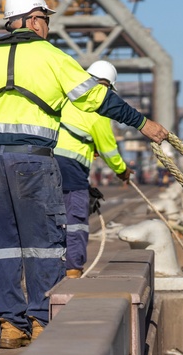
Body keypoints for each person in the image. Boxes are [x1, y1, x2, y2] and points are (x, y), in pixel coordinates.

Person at [0, 0, 168, 349]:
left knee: (0, 246)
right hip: (34, 162)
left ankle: (9, 326)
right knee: (44, 245)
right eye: (45, 19)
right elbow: (98, 98)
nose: (47, 26)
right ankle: (39, 320)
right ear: (33, 20)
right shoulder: (51, 56)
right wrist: (143, 124)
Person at [54, 59, 129, 279]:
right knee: (75, 220)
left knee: (49, 218)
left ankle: (48, 269)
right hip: (71, 169)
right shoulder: (98, 107)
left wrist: (89, 143)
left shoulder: (65, 97)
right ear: (107, 86)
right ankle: (73, 270)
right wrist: (122, 171)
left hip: (44, 161)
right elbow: (109, 150)